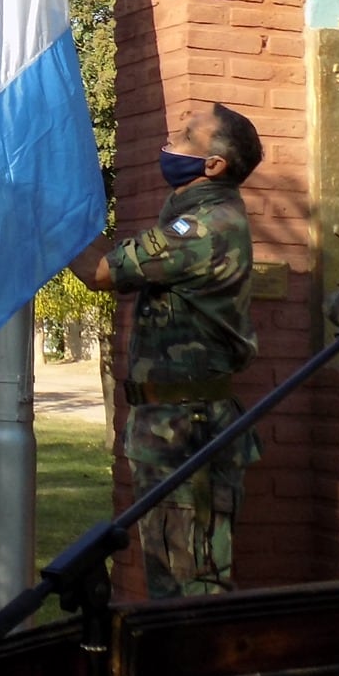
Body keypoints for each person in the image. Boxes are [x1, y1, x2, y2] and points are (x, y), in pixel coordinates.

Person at [69, 102, 264, 600]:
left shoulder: (204, 228)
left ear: (213, 165)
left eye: (184, 137)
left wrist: (48, 220)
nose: (168, 145)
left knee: (192, 584)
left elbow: (103, 272)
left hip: (187, 432)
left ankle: (202, 675)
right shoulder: (196, 219)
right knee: (170, 576)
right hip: (171, 423)